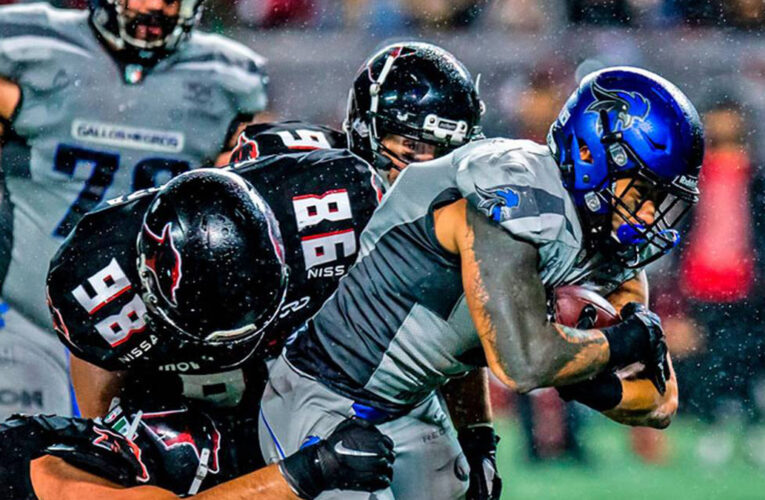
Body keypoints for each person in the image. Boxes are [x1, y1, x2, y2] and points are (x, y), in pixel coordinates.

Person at [257, 66, 703, 498]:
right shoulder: (512, 197)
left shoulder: (607, 240)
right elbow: (523, 363)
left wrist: (585, 382)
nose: (649, 215)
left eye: (661, 199)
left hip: (413, 406)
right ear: (589, 156)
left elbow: (660, 401)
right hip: (323, 393)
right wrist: (616, 346)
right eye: (642, 192)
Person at [0, 0, 268, 419]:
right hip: (26, 316)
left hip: (147, 332)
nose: (157, 6)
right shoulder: (25, 42)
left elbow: (242, 196)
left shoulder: (229, 77)